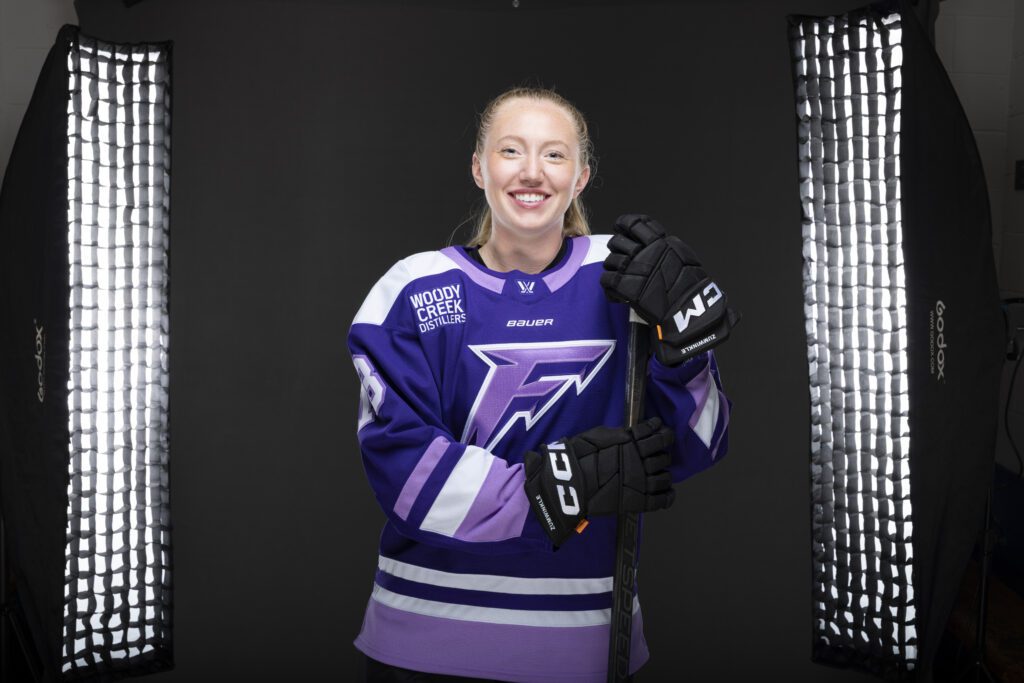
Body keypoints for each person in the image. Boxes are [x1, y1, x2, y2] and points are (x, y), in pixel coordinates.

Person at [348, 86, 735, 682]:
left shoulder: (627, 277)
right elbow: (405, 473)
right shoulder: (411, 289)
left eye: (554, 155)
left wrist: (683, 355)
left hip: (586, 643)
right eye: (511, 150)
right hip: (424, 644)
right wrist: (561, 487)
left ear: (581, 176)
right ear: (479, 167)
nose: (532, 172)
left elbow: (696, 445)